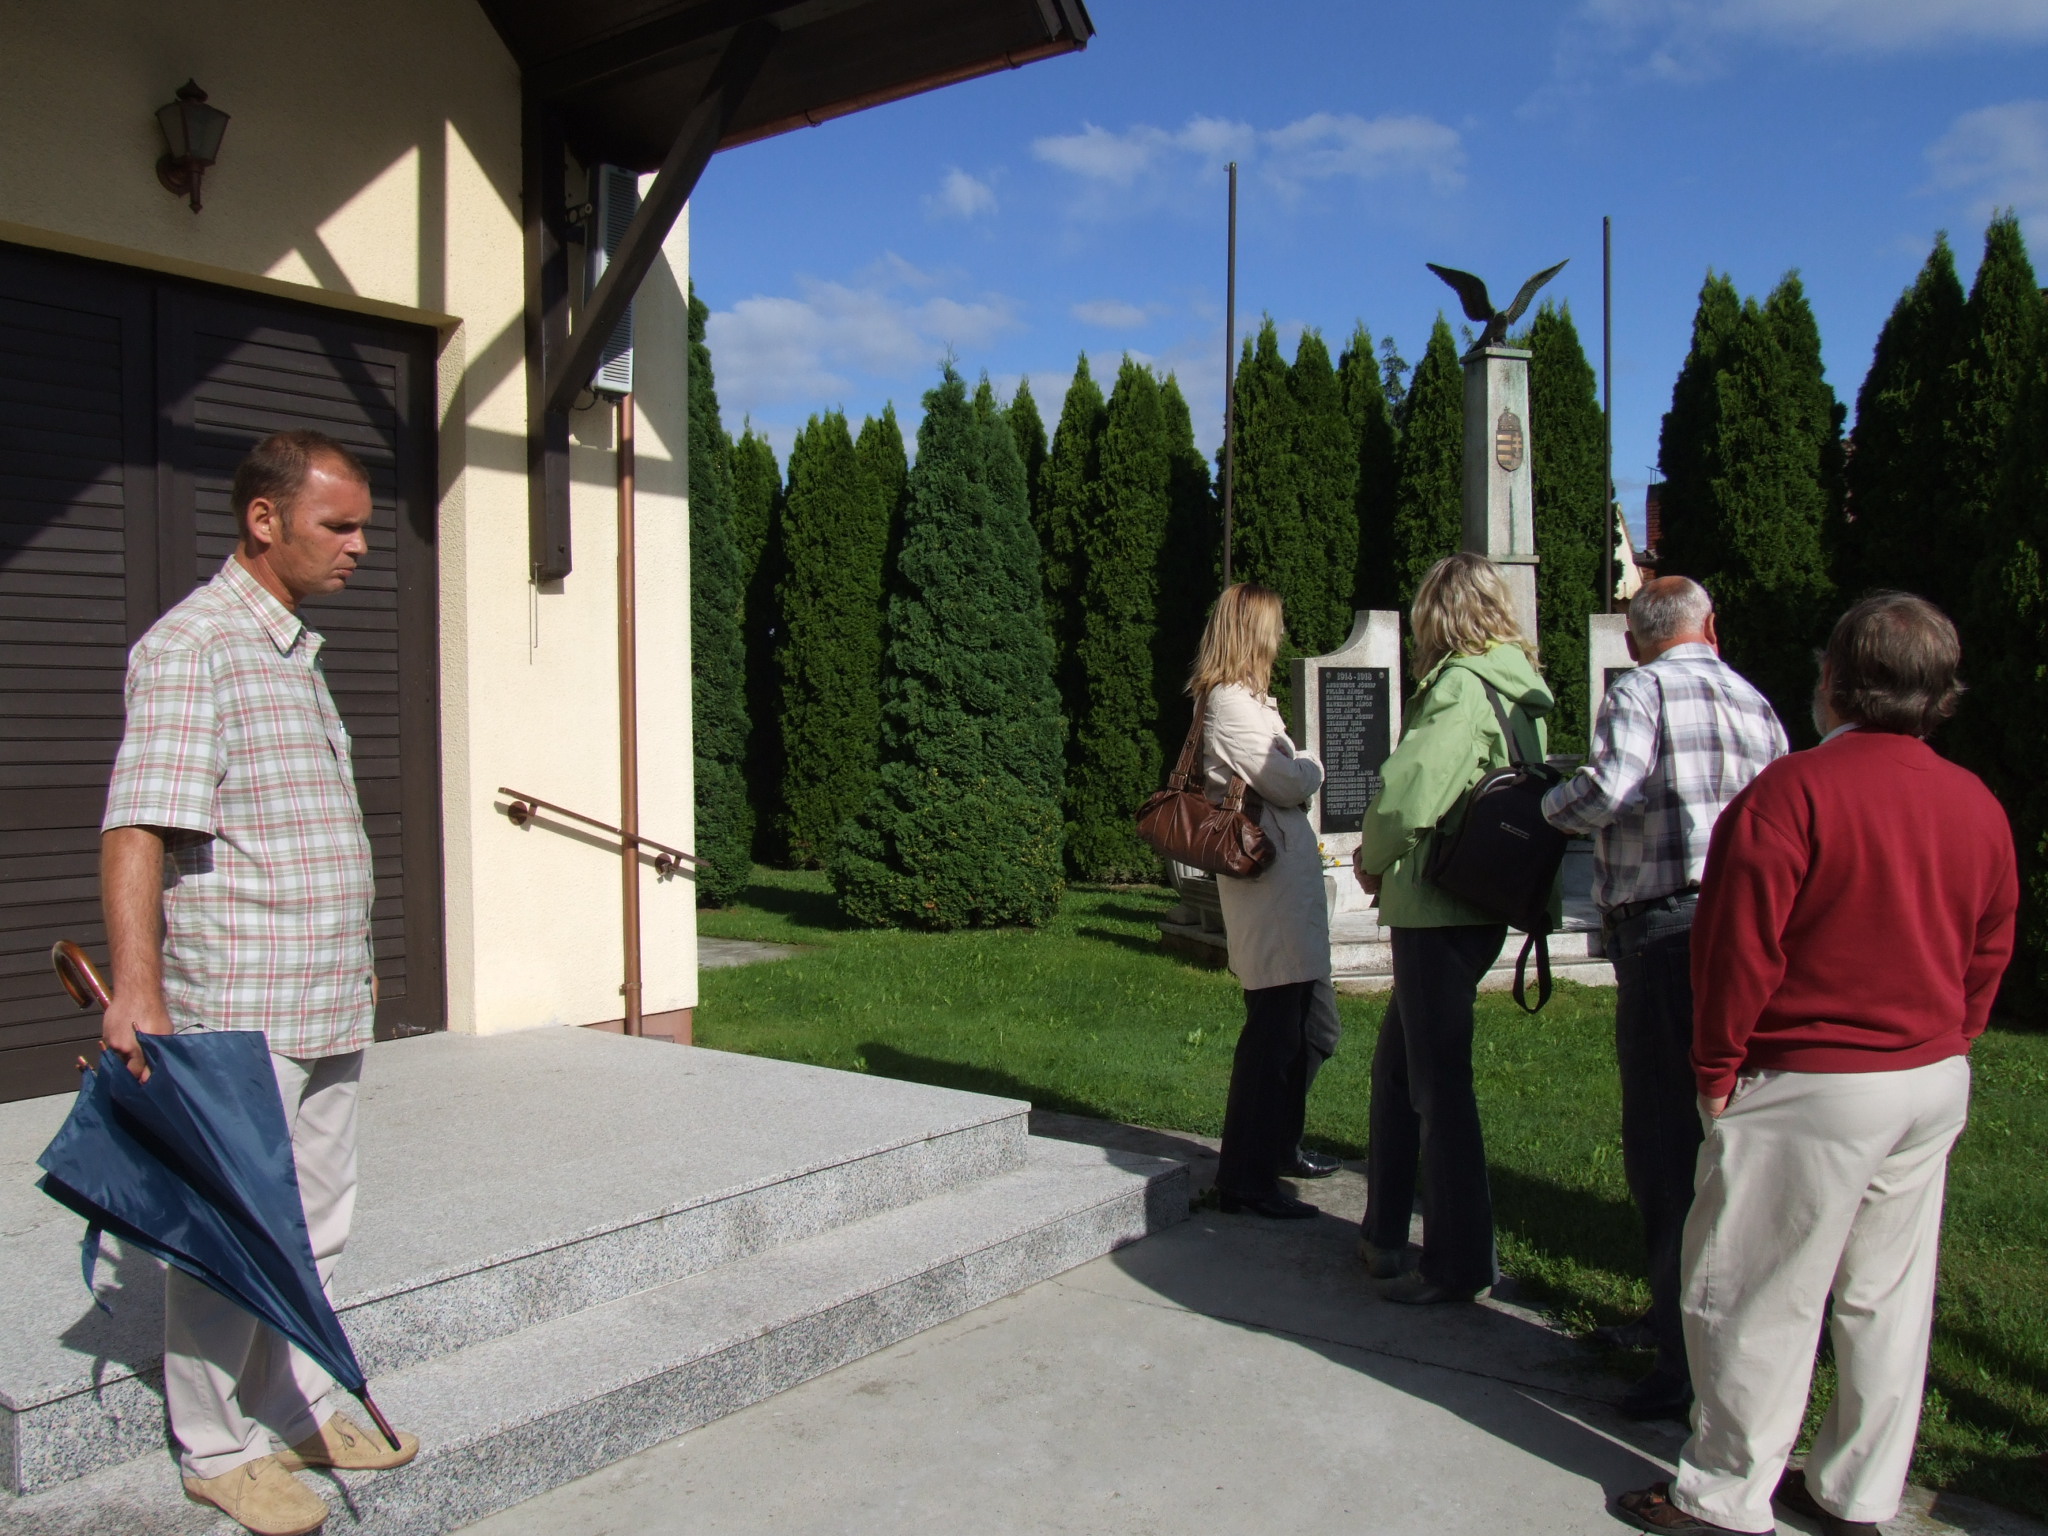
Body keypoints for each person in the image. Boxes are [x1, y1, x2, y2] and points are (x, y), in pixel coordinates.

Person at [1615, 594, 2016, 1536]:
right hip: (1927, 1076)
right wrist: (1955, 1034)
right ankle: (1855, 1490)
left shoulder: (1792, 793)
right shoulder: (1976, 801)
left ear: (1834, 679)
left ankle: (1724, 1494)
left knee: (1754, 1289)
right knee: (1886, 1297)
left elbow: (1737, 949)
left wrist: (1716, 1065)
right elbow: (1989, 944)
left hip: (1814, 1077)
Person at [100, 431, 420, 1536]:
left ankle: (295, 1404)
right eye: (340, 525)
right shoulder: (194, 646)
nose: (361, 546)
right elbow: (138, 825)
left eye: (363, 525)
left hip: (323, 993)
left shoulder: (290, 649)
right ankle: (217, 1448)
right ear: (264, 519)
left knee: (316, 1224)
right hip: (241, 1006)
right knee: (233, 1230)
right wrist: (137, 987)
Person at [1541, 577, 1787, 1420]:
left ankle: (1681, 1359)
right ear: (1710, 628)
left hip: (1666, 927)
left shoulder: (1639, 691)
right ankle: (1706, 1321)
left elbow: (1608, 789)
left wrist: (1546, 801)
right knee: (1728, 1135)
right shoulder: (1756, 702)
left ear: (1635, 640)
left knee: (1662, 1138)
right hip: (1747, 928)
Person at [1352, 553, 1553, 1304]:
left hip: (1436, 908)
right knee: (1399, 1073)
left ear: (1438, 616)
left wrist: (1371, 856)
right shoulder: (1519, 686)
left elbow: (1411, 791)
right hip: (1478, 901)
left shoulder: (1462, 685)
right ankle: (1383, 1235)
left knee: (1438, 1087)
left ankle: (1458, 1263)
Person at [1196, 583, 1332, 1219]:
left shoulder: (1252, 701)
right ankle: (1245, 1179)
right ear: (1251, 632)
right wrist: (1311, 767)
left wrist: (1299, 769)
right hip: (1268, 888)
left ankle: (1276, 1147)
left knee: (1310, 1029)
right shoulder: (1229, 704)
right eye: (1272, 626)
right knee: (1273, 1036)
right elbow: (1285, 779)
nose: (1279, 637)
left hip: (1286, 887)